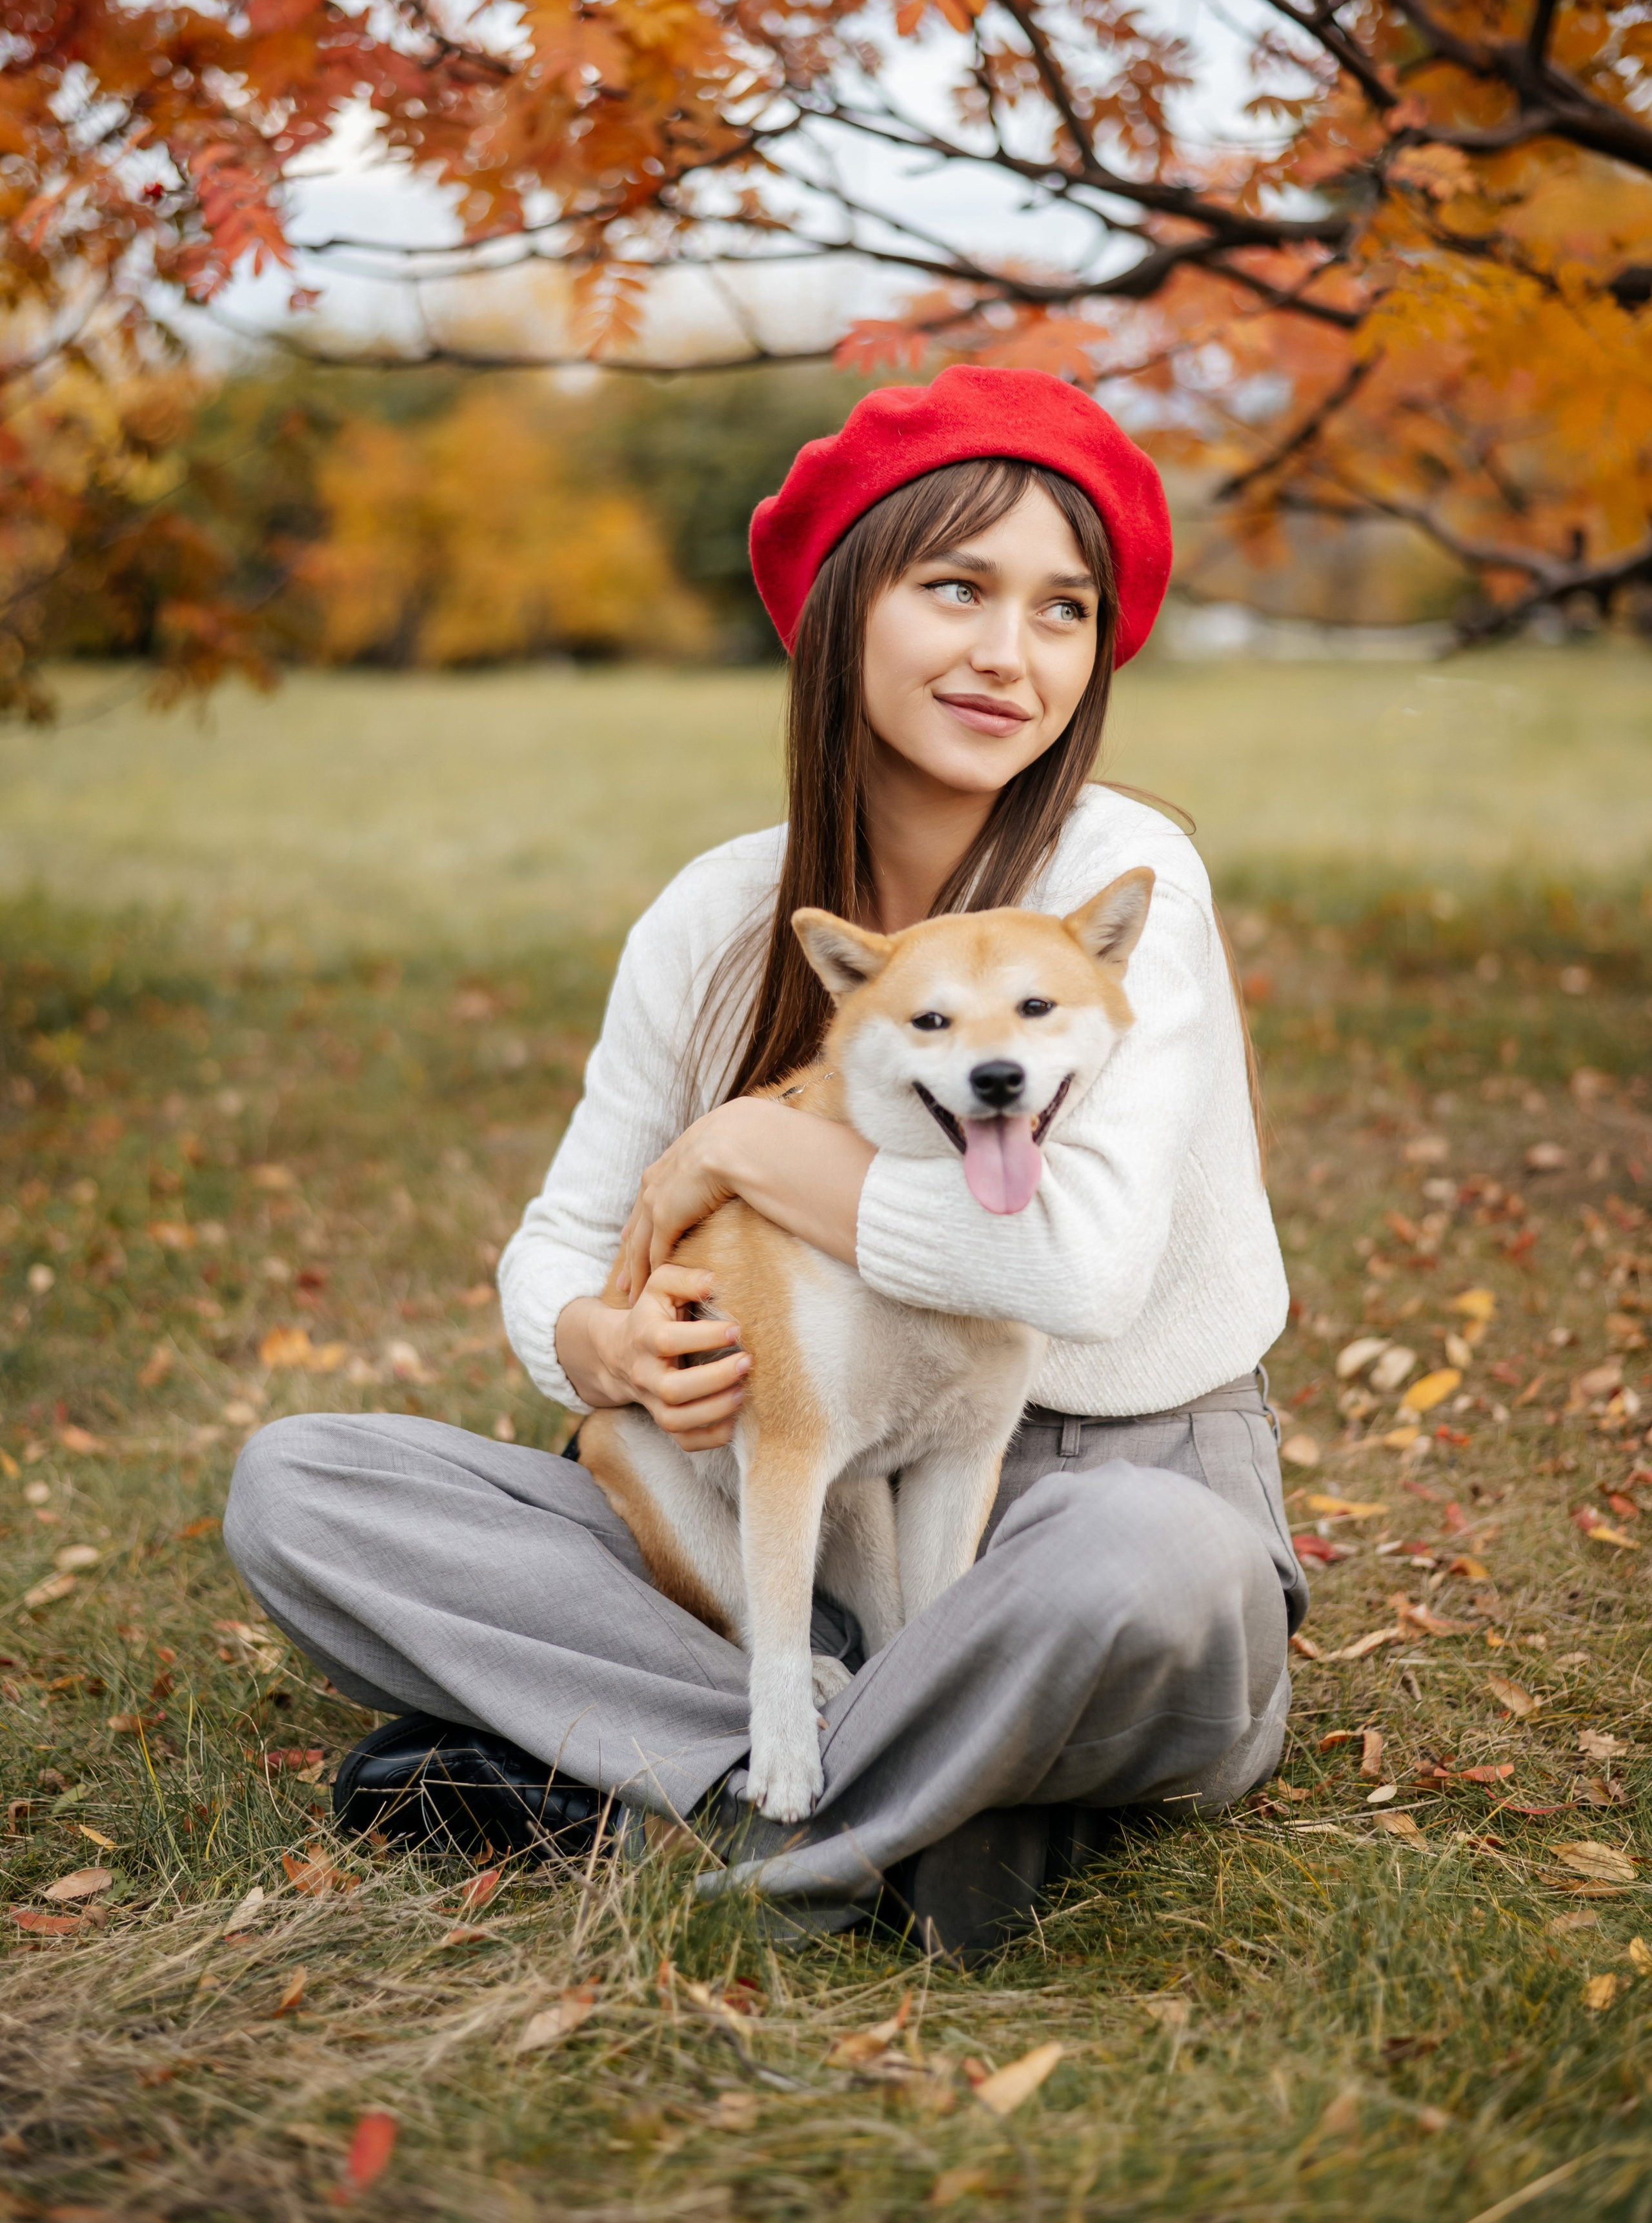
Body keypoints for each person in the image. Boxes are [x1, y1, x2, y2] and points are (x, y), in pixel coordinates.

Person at [224, 365, 1305, 1959]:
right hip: (792, 1505)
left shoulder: (1121, 877)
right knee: (303, 1488)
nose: (1008, 654)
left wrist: (744, 1141)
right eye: (956, 588)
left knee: (1146, 1570)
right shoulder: (715, 916)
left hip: (1096, 1496)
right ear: (840, 607)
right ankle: (919, 1810)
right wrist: (597, 1342)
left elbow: (1073, 1271)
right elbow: (565, 1240)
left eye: (1061, 611)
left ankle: (681, 1791)